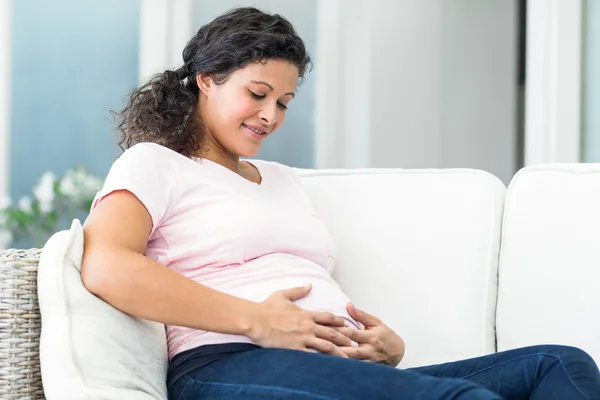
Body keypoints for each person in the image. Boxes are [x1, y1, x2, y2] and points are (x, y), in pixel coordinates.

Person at [81, 7, 600, 400]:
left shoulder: (282, 180)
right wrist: (255, 320)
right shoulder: (155, 162)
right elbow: (106, 265)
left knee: (559, 364)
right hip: (228, 363)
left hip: (338, 367)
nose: (271, 115)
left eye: (283, 102)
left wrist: (388, 351)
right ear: (207, 80)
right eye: (257, 94)